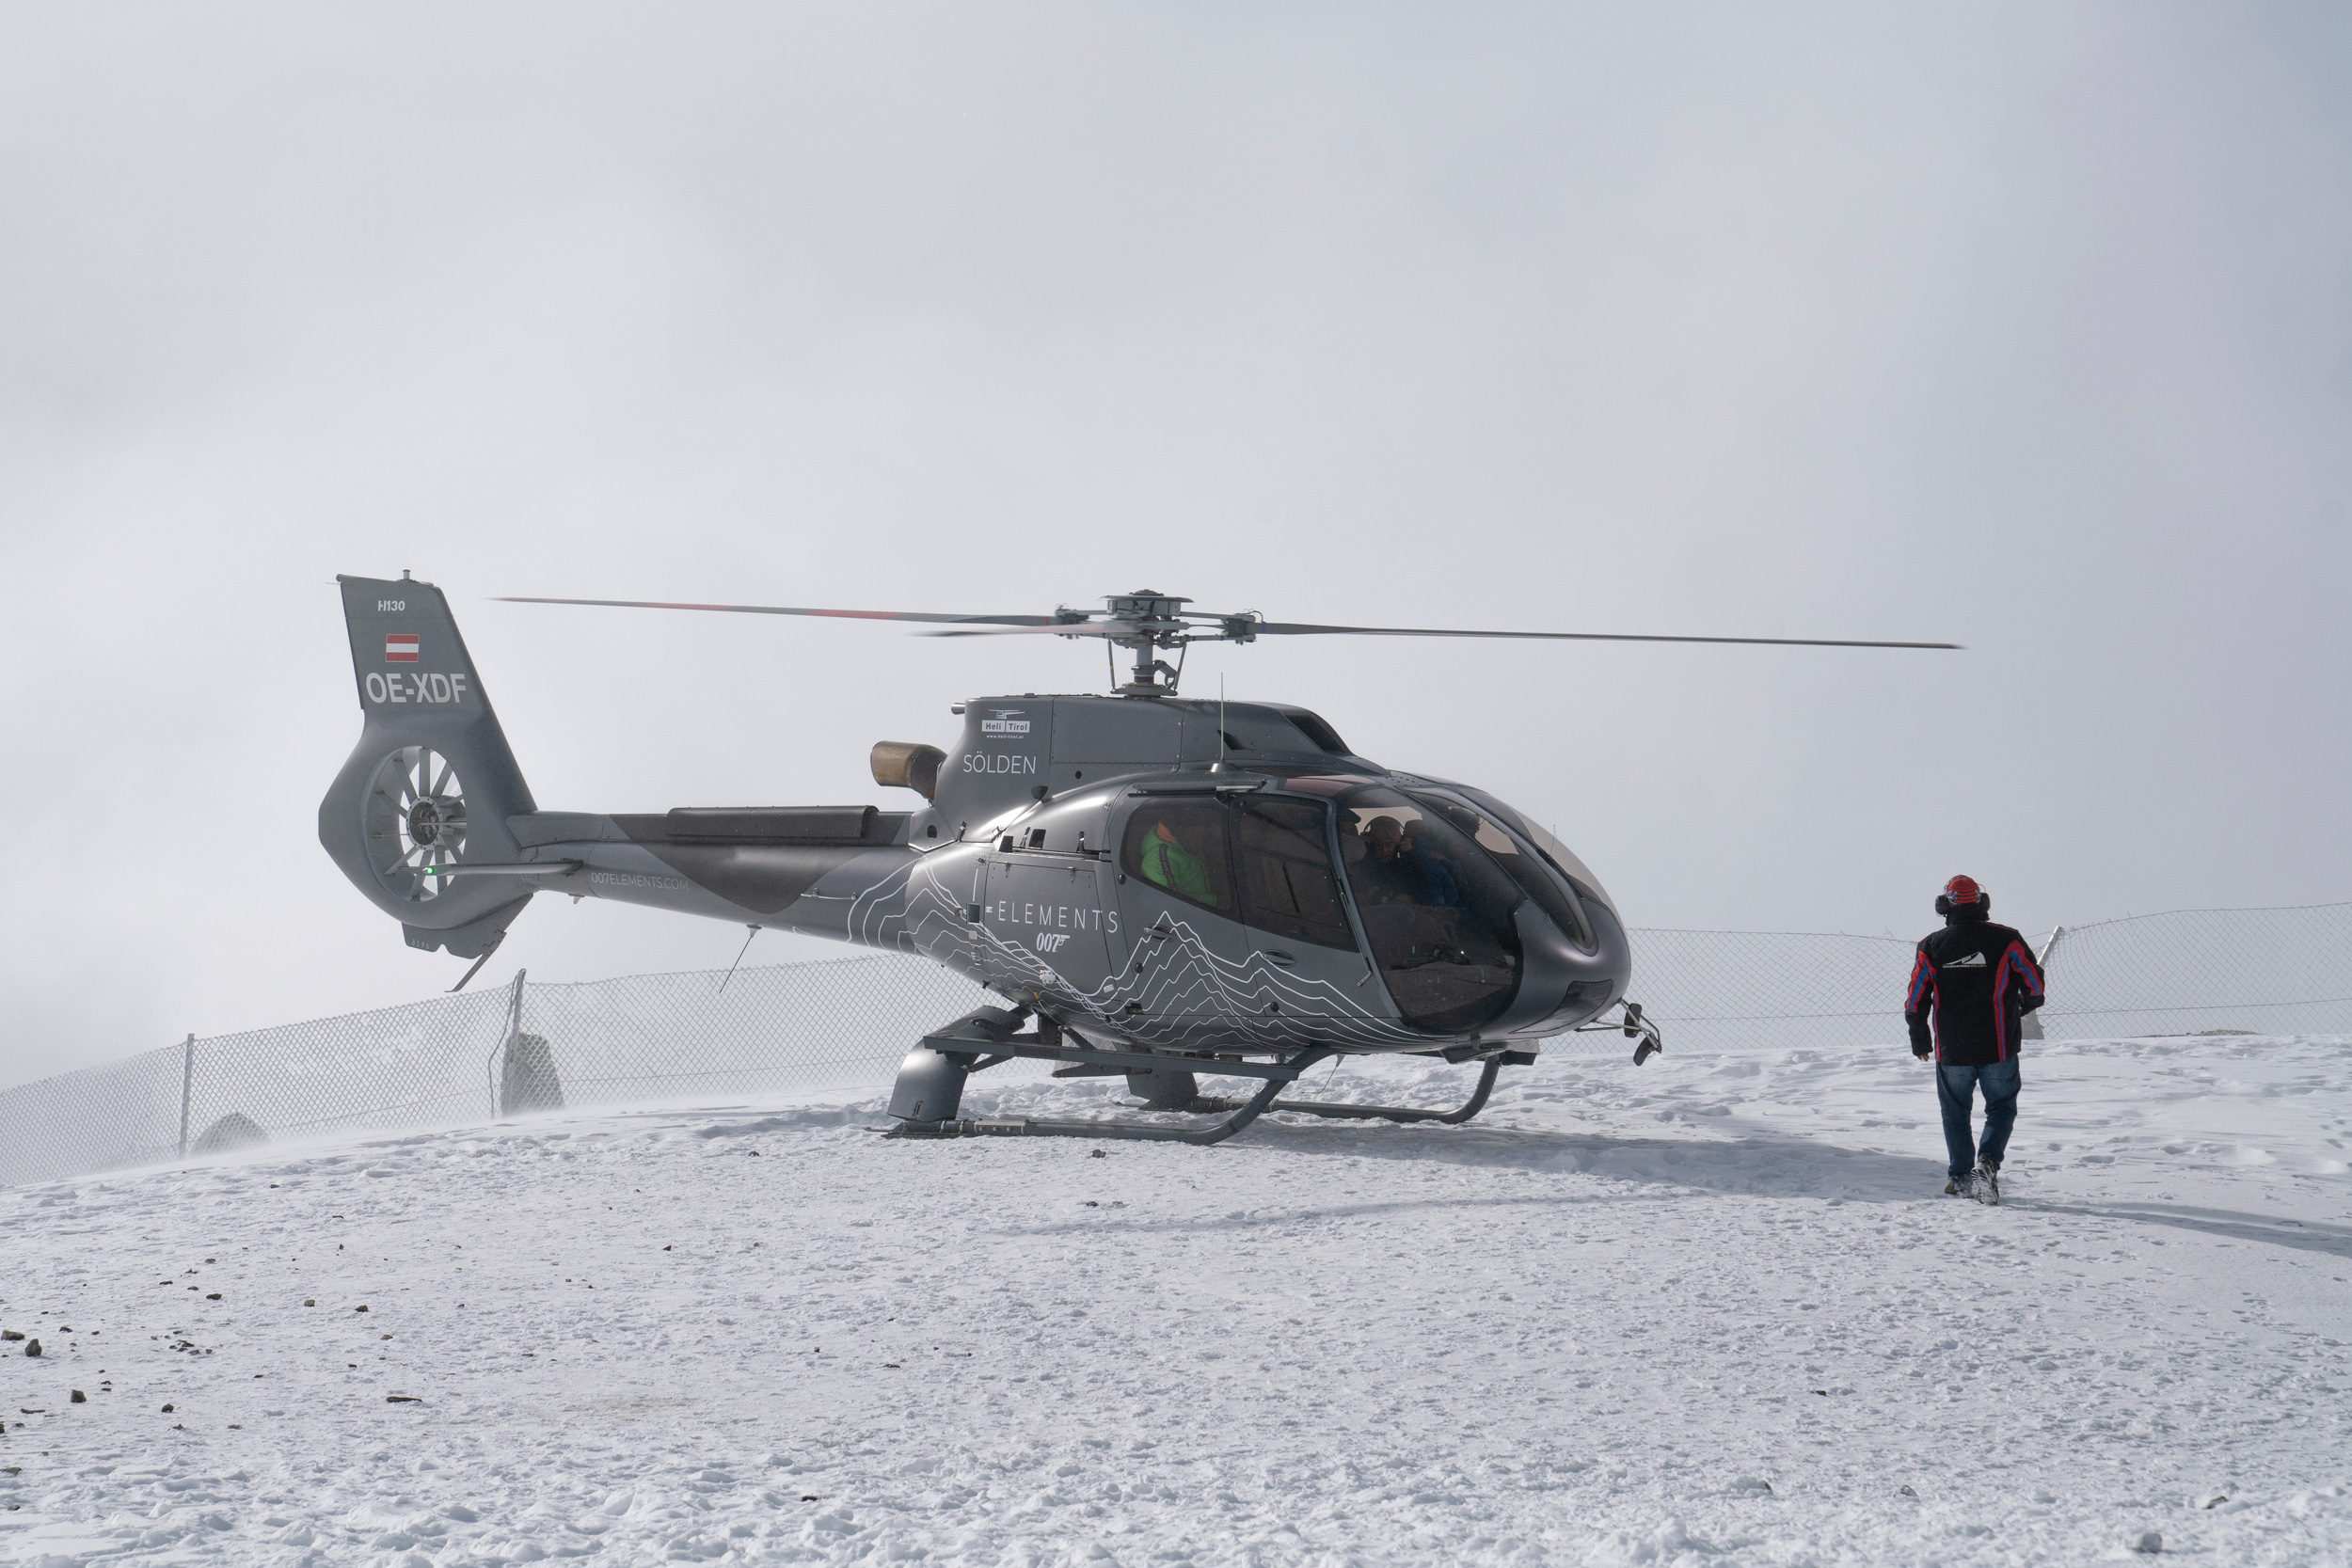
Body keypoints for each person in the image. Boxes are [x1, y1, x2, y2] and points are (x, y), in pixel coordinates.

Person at [1904, 875, 2045, 1203]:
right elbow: (2034, 985)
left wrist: (1920, 1039)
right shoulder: (2007, 939)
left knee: (1955, 1112)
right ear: (1982, 902)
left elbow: (1915, 1000)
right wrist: (2026, 1004)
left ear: (1944, 906)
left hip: (1952, 1050)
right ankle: (1988, 1163)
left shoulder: (1930, 946)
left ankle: (1960, 1178)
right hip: (1998, 1044)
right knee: (2001, 1107)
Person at [1136, 819, 1216, 905]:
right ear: (1180, 826)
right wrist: (1215, 902)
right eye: (1195, 826)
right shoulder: (1158, 857)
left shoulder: (1185, 846)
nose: (1202, 832)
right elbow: (1172, 903)